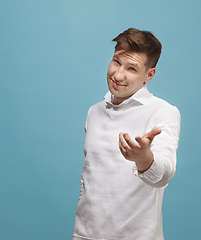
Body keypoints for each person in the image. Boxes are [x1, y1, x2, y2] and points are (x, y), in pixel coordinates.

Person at [73, 28, 181, 240]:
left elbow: (164, 175)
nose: (118, 75)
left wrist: (145, 160)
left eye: (132, 68)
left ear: (149, 75)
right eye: (116, 62)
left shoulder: (163, 112)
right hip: (86, 235)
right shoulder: (94, 112)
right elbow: (90, 178)